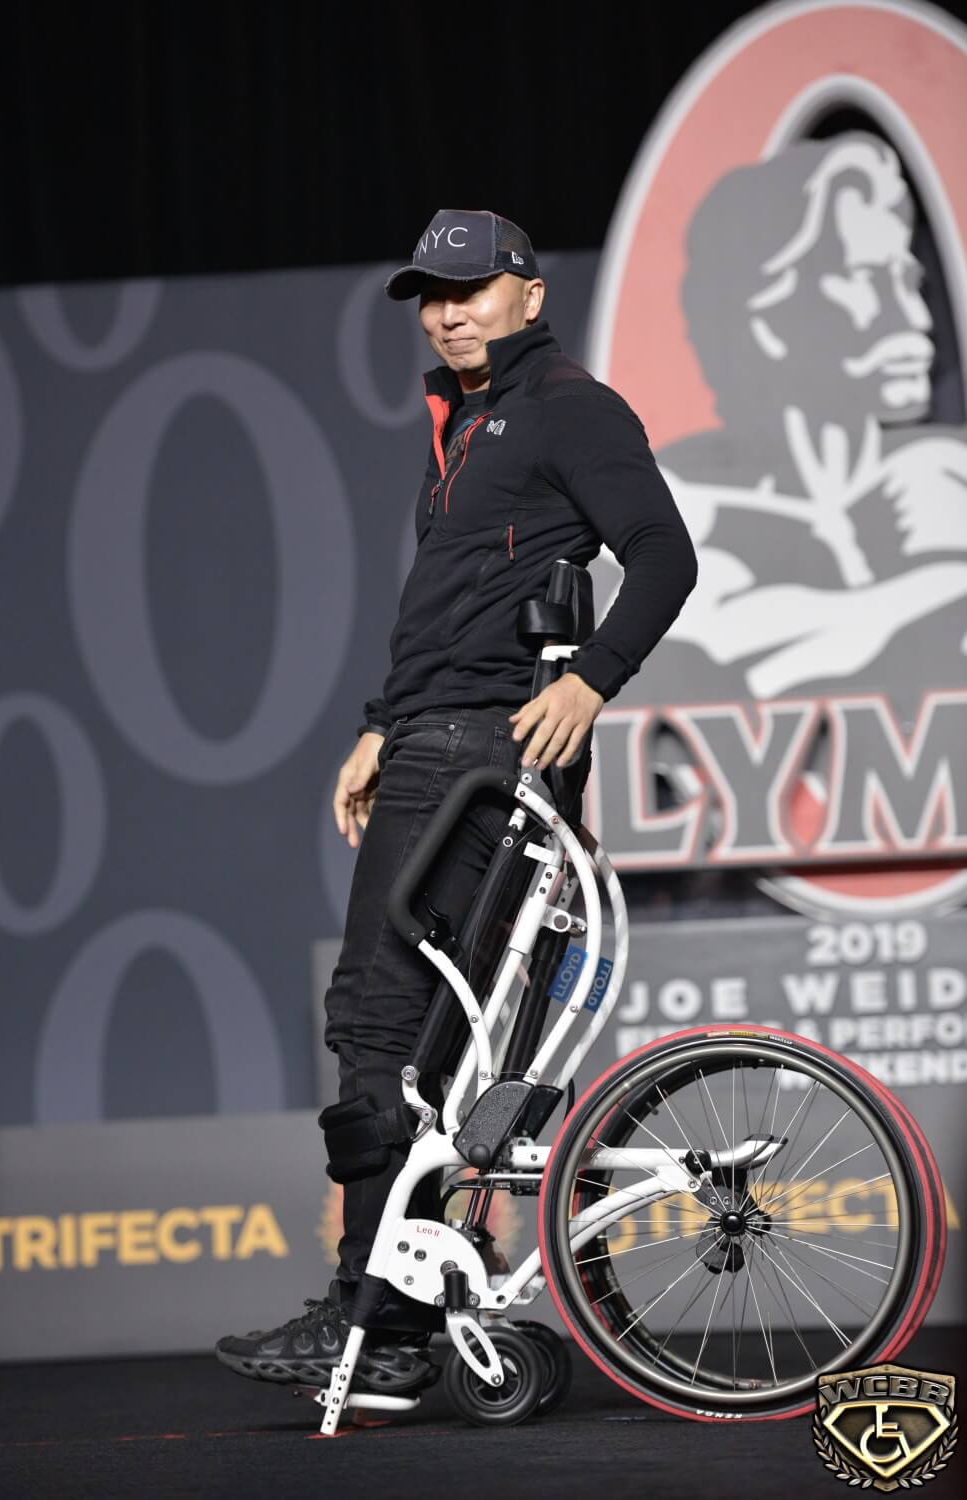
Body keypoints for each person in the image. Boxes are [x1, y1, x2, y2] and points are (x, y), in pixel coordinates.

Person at [216, 209, 697, 1395]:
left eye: (470, 288)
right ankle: (395, 1317)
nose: (446, 312)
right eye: (430, 294)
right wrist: (380, 725)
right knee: (417, 1038)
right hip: (433, 741)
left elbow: (663, 553)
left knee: (379, 1023)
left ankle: (373, 1324)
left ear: (529, 293)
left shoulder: (566, 409)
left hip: (479, 751)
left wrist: (592, 679)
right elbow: (447, 609)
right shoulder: (472, 423)